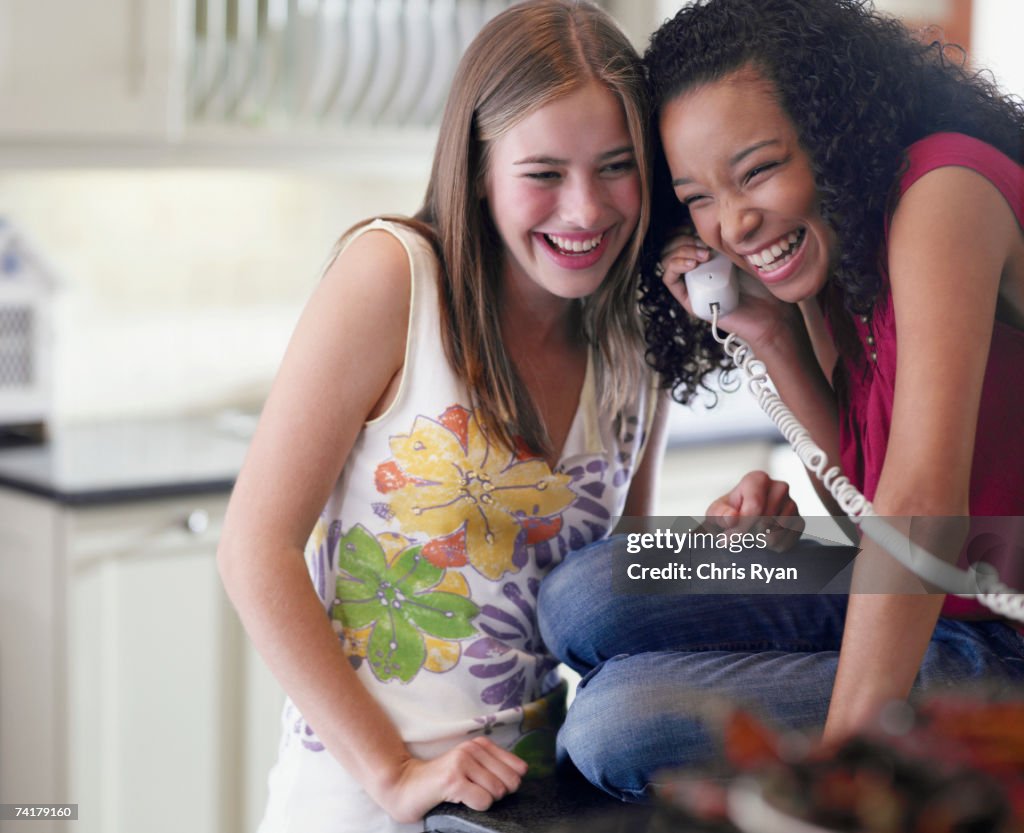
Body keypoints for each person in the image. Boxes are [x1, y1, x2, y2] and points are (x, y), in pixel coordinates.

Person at [539, 0, 1024, 802]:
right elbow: (865, 496)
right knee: (585, 594)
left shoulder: (946, 192)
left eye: (758, 169)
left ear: (833, 132)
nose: (732, 223)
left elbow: (917, 503)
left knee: (615, 724)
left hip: (1002, 629)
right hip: (944, 590)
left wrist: (833, 781)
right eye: (697, 197)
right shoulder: (836, 254)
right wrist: (768, 331)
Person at [215, 2, 673, 830]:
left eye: (616, 166)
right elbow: (253, 552)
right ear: (477, 166)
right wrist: (394, 774)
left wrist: (734, 542)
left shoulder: (635, 339)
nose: (587, 210)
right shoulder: (395, 277)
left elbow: (614, 603)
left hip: (524, 802)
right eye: (544, 173)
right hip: (363, 794)